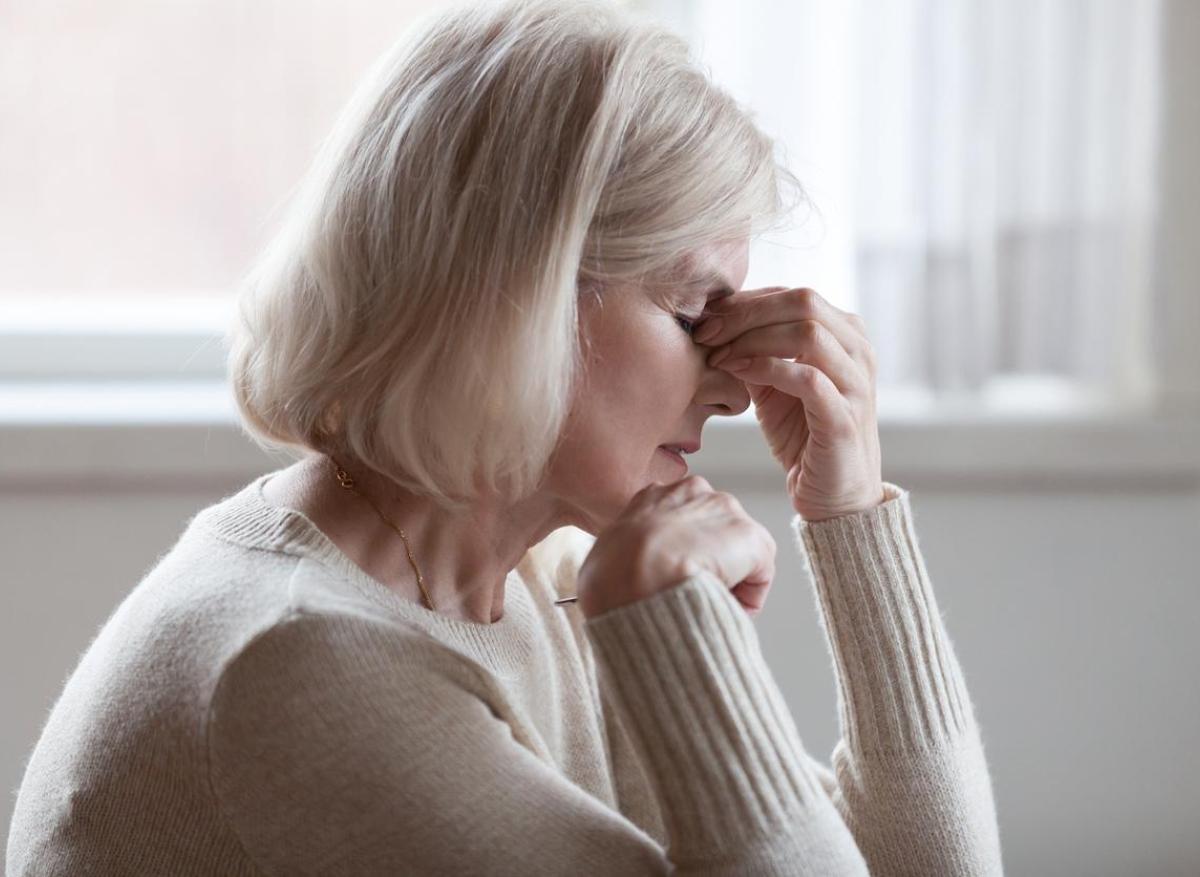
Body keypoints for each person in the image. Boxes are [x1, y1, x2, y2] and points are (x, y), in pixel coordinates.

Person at [6, 0, 1004, 873]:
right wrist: (683, 646)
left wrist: (851, 513)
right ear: (518, 298)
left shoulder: (546, 572)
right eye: (698, 313)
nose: (737, 390)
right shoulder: (300, 664)